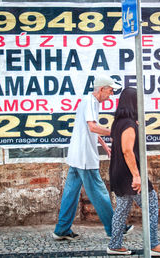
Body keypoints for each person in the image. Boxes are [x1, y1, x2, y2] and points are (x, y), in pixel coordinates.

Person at [52, 75, 132, 240]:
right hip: (84, 156)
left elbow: (90, 128)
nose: (110, 95)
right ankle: (115, 229)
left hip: (77, 155)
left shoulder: (89, 101)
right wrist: (116, 131)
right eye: (110, 91)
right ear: (101, 89)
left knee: (70, 193)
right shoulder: (91, 102)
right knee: (99, 192)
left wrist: (104, 145)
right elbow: (93, 127)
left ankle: (61, 230)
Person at [107, 87, 160, 256]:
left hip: (118, 172)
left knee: (122, 208)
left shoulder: (119, 123)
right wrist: (137, 176)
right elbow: (127, 151)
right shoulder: (128, 125)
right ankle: (153, 244)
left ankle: (114, 244)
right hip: (129, 174)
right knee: (151, 201)